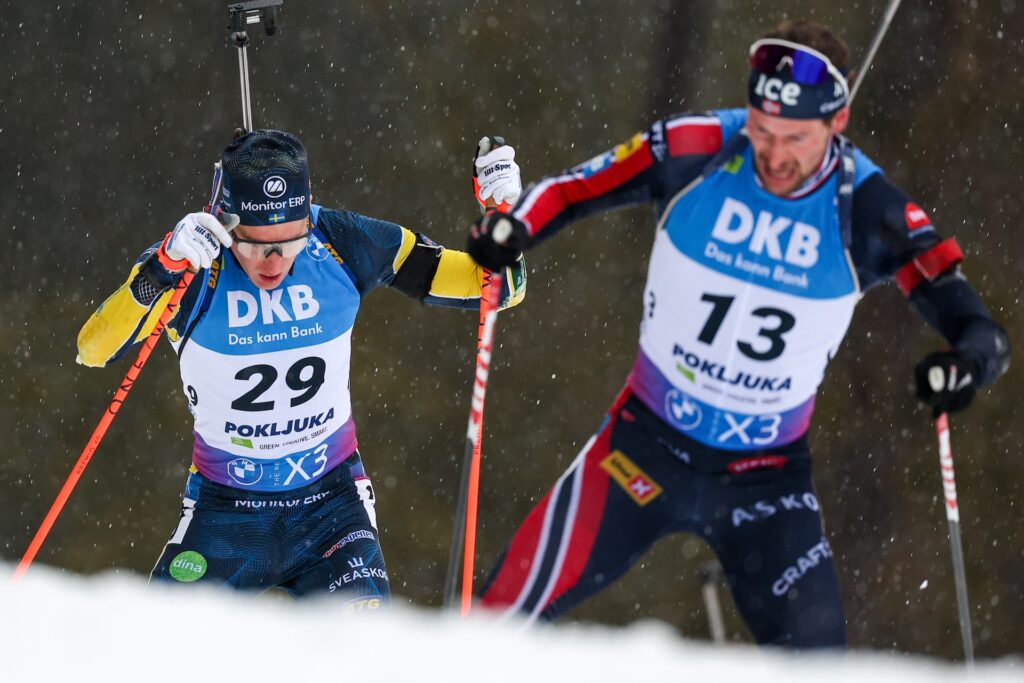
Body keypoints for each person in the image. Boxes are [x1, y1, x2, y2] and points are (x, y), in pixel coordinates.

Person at [466, 20, 1010, 647]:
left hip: (767, 478)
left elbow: (974, 324)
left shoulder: (865, 204)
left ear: (838, 123)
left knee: (818, 661)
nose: (775, 155)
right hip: (642, 445)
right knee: (493, 619)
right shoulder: (699, 146)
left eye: (796, 138)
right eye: (762, 130)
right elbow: (568, 192)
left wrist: (964, 364)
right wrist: (515, 231)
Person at [77, 129, 525, 609]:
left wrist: (502, 220)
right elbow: (94, 348)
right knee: (149, 658)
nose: (274, 263)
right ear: (225, 221)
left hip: (332, 508)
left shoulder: (343, 240)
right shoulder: (193, 261)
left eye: (291, 242)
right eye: (253, 245)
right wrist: (163, 266)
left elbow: (500, 290)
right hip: (226, 513)